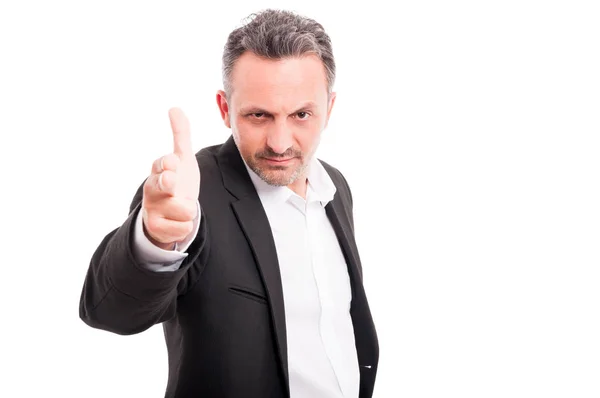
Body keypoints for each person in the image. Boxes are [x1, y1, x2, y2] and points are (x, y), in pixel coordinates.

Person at [79, 9, 379, 398]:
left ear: (329, 109)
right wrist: (154, 238)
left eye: (302, 114)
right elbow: (110, 311)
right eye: (258, 115)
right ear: (225, 109)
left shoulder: (335, 186)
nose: (280, 142)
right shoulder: (191, 194)